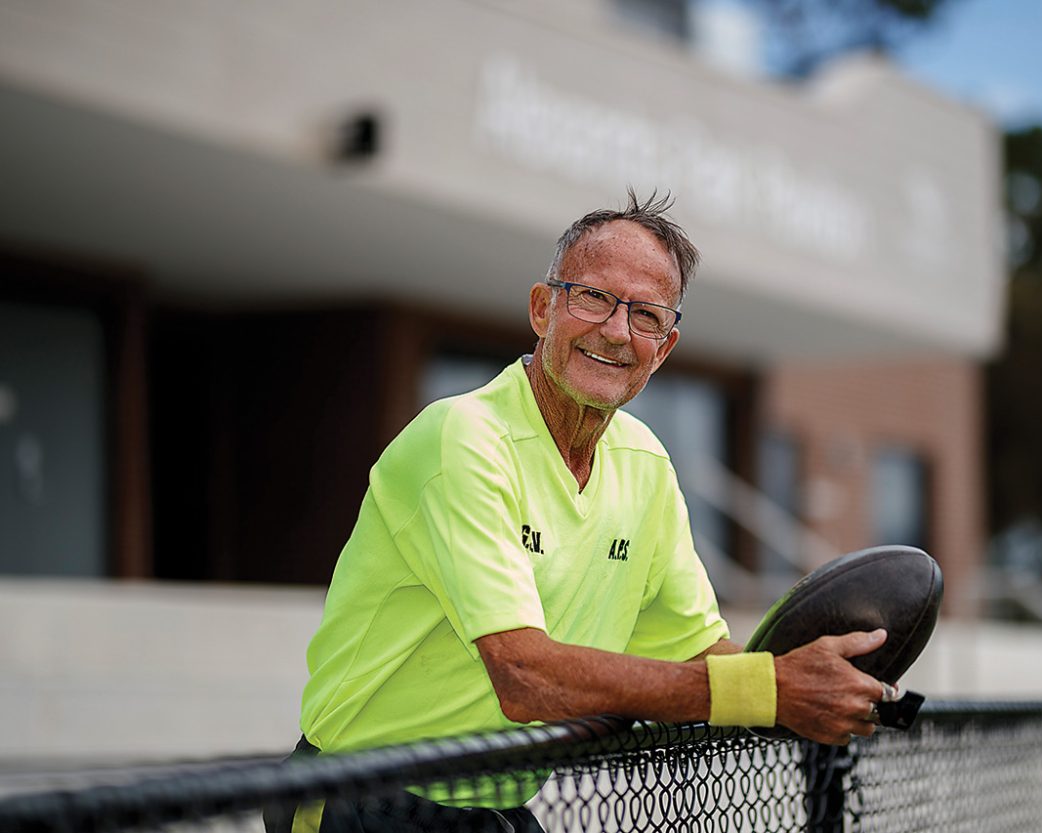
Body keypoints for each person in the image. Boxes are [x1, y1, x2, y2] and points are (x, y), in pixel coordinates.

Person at [267, 191, 891, 833]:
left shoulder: (645, 463)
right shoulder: (462, 436)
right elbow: (524, 676)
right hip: (357, 794)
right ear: (543, 309)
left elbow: (701, 652)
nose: (616, 331)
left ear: (665, 347)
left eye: (645, 315)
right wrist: (771, 690)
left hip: (495, 801)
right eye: (593, 297)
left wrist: (831, 680)